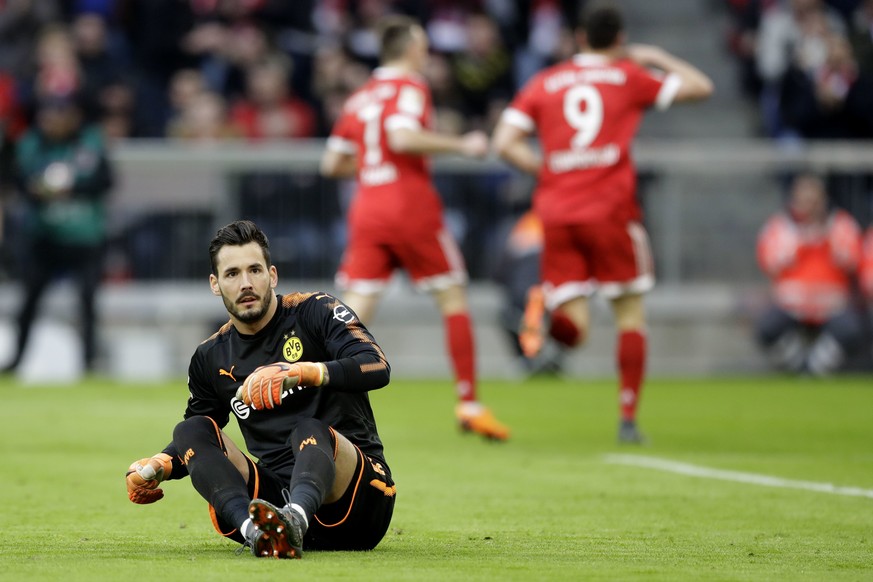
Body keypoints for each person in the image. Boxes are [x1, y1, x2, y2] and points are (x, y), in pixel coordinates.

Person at [492, 2, 714, 443]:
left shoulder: (546, 81)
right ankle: (628, 419)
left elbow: (504, 142)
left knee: (575, 331)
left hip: (557, 212)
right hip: (610, 210)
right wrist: (653, 57)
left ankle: (544, 310)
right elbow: (700, 87)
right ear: (619, 39)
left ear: (578, 38)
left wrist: (546, 170)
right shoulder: (627, 77)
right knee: (629, 313)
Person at [124, 220, 395, 559]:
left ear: (273, 275)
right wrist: (160, 466)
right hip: (273, 499)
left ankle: (294, 519)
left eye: (255, 270)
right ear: (215, 284)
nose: (246, 283)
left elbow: (376, 365)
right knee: (190, 429)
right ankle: (257, 533)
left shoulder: (315, 311)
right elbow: (197, 442)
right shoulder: (211, 356)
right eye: (232, 274)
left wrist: (305, 372)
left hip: (357, 503)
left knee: (308, 429)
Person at [319, 15, 510, 441]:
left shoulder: (360, 97)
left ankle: (316, 404)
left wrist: (372, 167)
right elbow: (403, 137)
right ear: (409, 48)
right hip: (409, 207)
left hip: (368, 208)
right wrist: (464, 144)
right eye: (423, 44)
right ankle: (469, 403)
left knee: (351, 316)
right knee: (452, 296)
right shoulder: (411, 87)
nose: (427, 51)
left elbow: (331, 164)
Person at [2, 91, 114, 375]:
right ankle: (17, 359)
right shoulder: (31, 144)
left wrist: (71, 189)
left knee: (88, 300)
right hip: (45, 238)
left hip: (85, 238)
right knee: (29, 300)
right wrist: (38, 191)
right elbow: (19, 181)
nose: (50, 122)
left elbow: (105, 181)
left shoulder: (90, 142)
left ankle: (89, 362)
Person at [755, 173, 864, 375]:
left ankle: (816, 368)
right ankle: (797, 367)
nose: (810, 206)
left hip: (831, 305)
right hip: (791, 305)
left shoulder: (841, 225)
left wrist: (827, 238)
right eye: (804, 201)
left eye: (814, 201)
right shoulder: (780, 227)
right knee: (768, 327)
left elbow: (852, 262)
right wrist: (800, 242)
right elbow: (770, 263)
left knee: (851, 328)